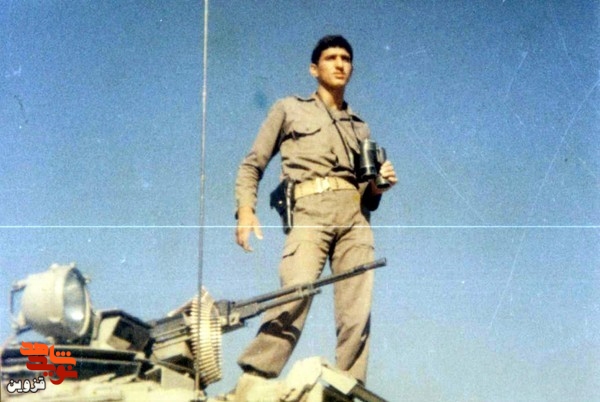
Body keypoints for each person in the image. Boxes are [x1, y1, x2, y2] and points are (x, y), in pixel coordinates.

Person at [233, 34, 397, 398]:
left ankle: (348, 390)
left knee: (356, 312)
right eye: (331, 57)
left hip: (354, 218)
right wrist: (245, 209)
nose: (340, 64)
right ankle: (254, 378)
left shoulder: (360, 126)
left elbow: (369, 197)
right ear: (314, 68)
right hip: (310, 211)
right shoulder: (289, 109)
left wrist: (378, 185)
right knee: (296, 291)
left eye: (346, 59)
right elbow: (252, 163)